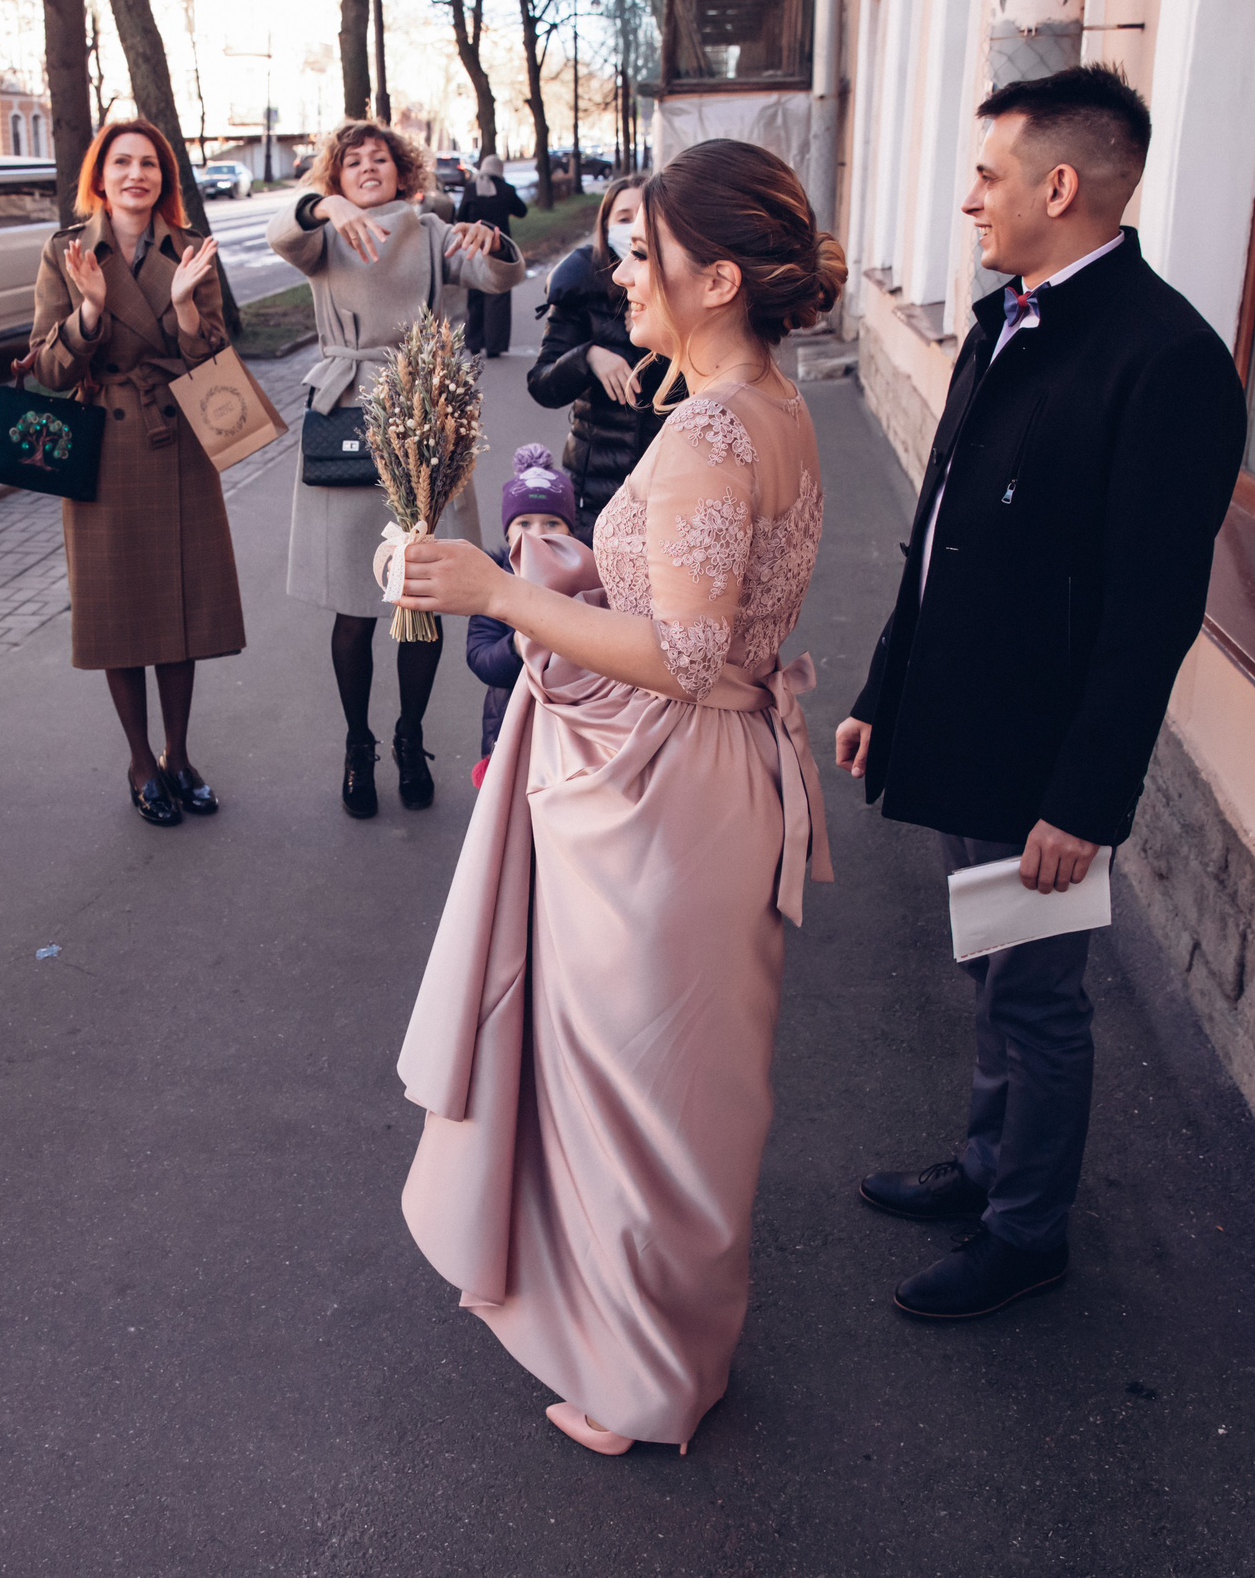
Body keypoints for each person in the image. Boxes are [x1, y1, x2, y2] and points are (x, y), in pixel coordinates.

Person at [390, 140, 845, 1455]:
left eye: (644, 253)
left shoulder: (708, 426)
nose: (617, 271)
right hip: (710, 775)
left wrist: (500, 588)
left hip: (666, 792)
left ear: (714, 277)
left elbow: (689, 651)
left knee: (640, 1097)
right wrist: (582, 563)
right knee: (681, 1089)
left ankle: (646, 1374)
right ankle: (664, 1344)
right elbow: (705, 606)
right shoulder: (773, 400)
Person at [836, 65, 1247, 1321]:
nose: (968, 199)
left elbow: (1149, 614)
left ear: (1058, 187)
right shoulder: (1011, 312)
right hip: (966, 718)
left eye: (988, 175)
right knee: (992, 960)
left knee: (1039, 991)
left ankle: (1027, 1231)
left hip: (1044, 756)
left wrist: (1087, 798)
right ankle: (985, 1162)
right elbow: (942, 526)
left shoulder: (1163, 358)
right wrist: (883, 688)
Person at [269, 119, 526, 818]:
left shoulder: (433, 229)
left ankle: (410, 737)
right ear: (337, 177)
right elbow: (281, 235)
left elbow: (500, 274)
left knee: (421, 597)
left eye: (379, 158)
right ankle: (360, 745)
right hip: (349, 410)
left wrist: (491, 238)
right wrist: (328, 207)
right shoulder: (323, 233)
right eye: (352, 162)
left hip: (426, 411)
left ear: (403, 169)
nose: (367, 167)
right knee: (353, 607)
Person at [28, 117, 244, 828]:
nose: (136, 175)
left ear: (164, 178)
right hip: (105, 450)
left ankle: (179, 755)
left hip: (176, 440)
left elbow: (213, 357)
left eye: (149, 163)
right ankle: (140, 760)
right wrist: (90, 310)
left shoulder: (191, 251)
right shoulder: (64, 252)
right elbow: (49, 372)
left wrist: (183, 305)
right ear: (101, 174)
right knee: (119, 613)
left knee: (179, 609)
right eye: (122, 162)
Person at [526, 172, 667, 536]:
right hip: (594, 493)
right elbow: (542, 386)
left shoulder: (679, 291)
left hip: (666, 486)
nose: (633, 225)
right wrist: (587, 357)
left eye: (642, 215)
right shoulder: (580, 284)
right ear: (604, 227)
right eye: (623, 217)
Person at [462, 445, 577, 788]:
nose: (537, 533)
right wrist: (517, 642)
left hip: (570, 725)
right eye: (524, 523)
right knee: (513, 799)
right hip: (509, 723)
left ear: (570, 531)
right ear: (508, 534)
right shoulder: (494, 585)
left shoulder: (584, 581)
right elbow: (481, 658)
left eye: (552, 523)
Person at [455, 155, 530, 358]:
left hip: (473, 247)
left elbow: (460, 216)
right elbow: (522, 211)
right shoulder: (506, 190)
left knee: (475, 294)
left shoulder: (471, 189)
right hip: (499, 248)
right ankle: (494, 345)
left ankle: (473, 342)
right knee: (498, 294)